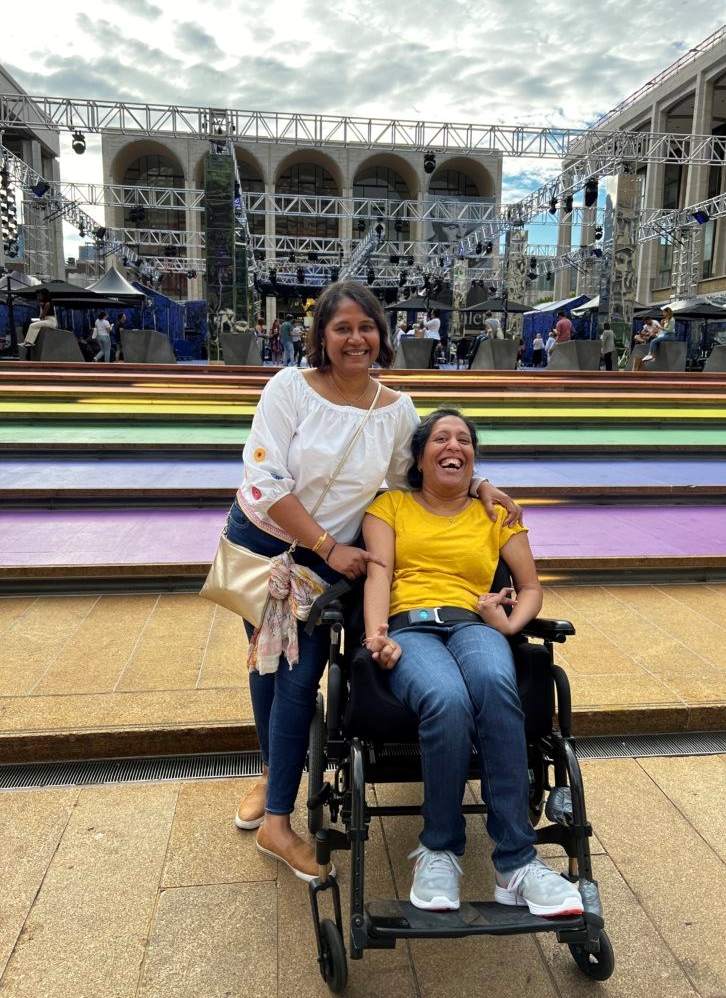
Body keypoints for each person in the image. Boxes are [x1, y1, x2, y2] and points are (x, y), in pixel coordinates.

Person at [227, 282, 522, 882]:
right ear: (322, 338)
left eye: (366, 327)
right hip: (267, 544)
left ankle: (276, 815)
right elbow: (265, 484)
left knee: (295, 672)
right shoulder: (288, 389)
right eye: (342, 328)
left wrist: (482, 486)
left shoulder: (397, 408)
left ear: (382, 336)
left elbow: (411, 479)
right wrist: (329, 546)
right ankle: (272, 784)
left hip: (328, 561)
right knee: (270, 664)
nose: (355, 338)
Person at [362, 409, 584, 917]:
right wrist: (377, 636)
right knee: (446, 699)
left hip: (474, 622)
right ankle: (439, 849)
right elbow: (378, 576)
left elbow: (530, 588)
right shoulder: (389, 506)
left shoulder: (496, 513)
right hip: (410, 624)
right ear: (419, 458)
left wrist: (508, 626)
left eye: (464, 439)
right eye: (440, 438)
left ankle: (517, 862)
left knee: (493, 681)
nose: (453, 446)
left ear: (473, 458)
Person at [21, 289, 58, 355]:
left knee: (33, 325)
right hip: (46, 320)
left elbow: (42, 316)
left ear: (44, 296)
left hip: (50, 321)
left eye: (40, 296)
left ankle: (29, 342)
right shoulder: (44, 303)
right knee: (29, 323)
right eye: (37, 296)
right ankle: (27, 342)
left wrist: (41, 307)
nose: (38, 298)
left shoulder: (47, 303)